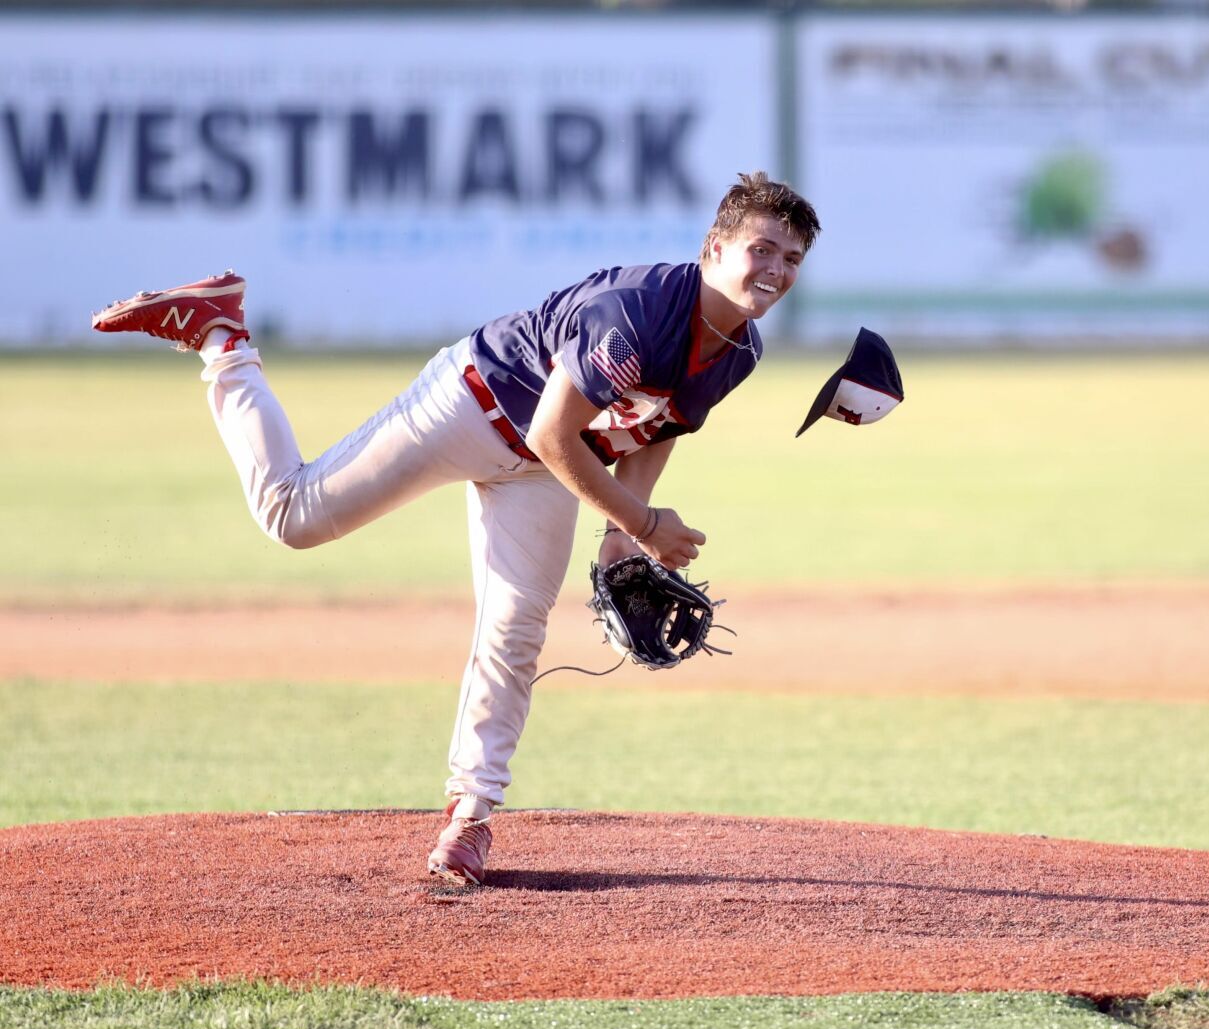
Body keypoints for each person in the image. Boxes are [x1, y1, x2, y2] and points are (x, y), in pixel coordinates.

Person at [92, 171, 820, 887]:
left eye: (791, 257)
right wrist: (643, 522)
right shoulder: (635, 312)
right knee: (293, 516)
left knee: (515, 630)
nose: (776, 269)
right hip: (474, 405)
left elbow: (660, 425)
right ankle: (222, 334)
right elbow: (552, 434)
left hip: (544, 466)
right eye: (761, 248)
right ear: (715, 249)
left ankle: (469, 817)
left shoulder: (741, 351)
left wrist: (616, 542)